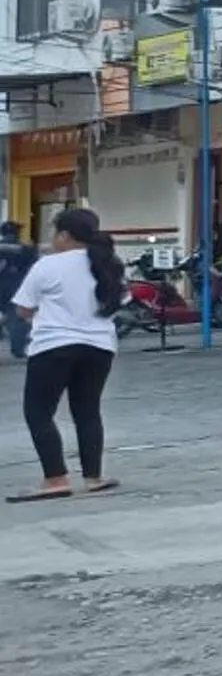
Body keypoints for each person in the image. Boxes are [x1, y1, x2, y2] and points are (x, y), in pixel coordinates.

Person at [7, 206, 125, 502]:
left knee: (39, 411)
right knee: (87, 410)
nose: (52, 239)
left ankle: (55, 478)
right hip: (100, 348)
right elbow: (120, 301)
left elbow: (22, 309)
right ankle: (94, 477)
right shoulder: (109, 264)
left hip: (54, 346)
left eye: (54, 232)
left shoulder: (48, 265)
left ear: (65, 235)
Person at [0, 221, 34, 361]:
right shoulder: (25, 248)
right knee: (17, 319)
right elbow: (33, 267)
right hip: (15, 288)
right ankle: (18, 350)